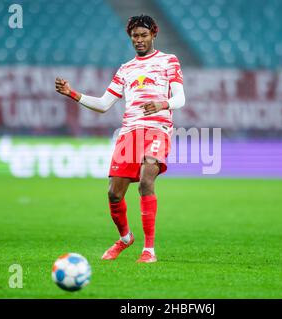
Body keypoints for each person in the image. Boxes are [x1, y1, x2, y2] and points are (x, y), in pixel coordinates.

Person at [55, 15, 185, 263]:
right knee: (114, 194)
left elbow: (181, 98)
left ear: (153, 35)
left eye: (143, 35)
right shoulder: (126, 69)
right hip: (129, 133)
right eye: (135, 36)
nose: (139, 40)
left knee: (147, 180)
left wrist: (162, 103)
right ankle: (125, 238)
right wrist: (72, 93)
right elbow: (104, 104)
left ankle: (149, 251)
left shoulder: (169, 61)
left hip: (158, 129)